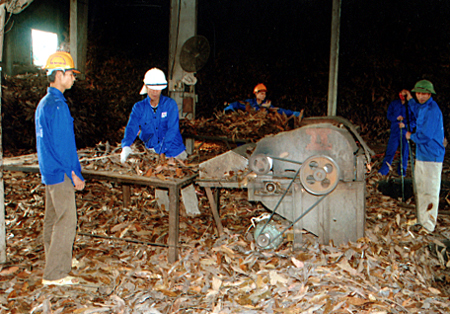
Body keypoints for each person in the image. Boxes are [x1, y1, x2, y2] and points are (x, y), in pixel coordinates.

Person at [35, 51, 86, 285]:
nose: (73, 78)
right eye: (70, 74)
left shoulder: (44, 103)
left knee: (53, 218)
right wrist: (75, 173)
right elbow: (65, 144)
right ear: (59, 74)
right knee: (67, 219)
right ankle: (56, 273)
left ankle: (55, 259)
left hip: (49, 170)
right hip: (60, 171)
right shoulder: (57, 105)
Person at [402, 80, 445, 233]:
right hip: (421, 154)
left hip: (432, 156)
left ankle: (429, 225)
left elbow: (425, 135)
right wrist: (409, 98)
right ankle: (421, 220)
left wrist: (410, 136)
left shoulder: (433, 110)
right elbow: (415, 108)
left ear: (429, 94)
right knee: (420, 188)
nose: (420, 96)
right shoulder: (422, 107)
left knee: (430, 191)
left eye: (424, 93)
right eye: (418, 93)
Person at [120, 68, 187, 163]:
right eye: (152, 88)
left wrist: (159, 149)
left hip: (175, 153)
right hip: (151, 154)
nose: (155, 92)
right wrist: (126, 146)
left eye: (158, 89)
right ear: (146, 87)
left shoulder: (170, 104)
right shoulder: (139, 107)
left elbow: (172, 130)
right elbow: (131, 128)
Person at [378, 93, 416, 176]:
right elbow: (389, 115)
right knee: (390, 150)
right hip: (395, 131)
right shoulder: (394, 103)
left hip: (405, 132)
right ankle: (384, 170)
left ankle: (402, 170)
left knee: (404, 151)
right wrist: (396, 117)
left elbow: (414, 121)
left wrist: (405, 125)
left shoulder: (411, 106)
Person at [224, 83, 301, 117]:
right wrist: (229, 108)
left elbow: (279, 110)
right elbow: (237, 104)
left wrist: (293, 113)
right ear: (256, 94)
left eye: (264, 94)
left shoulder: (267, 104)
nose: (263, 96)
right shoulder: (249, 103)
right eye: (261, 94)